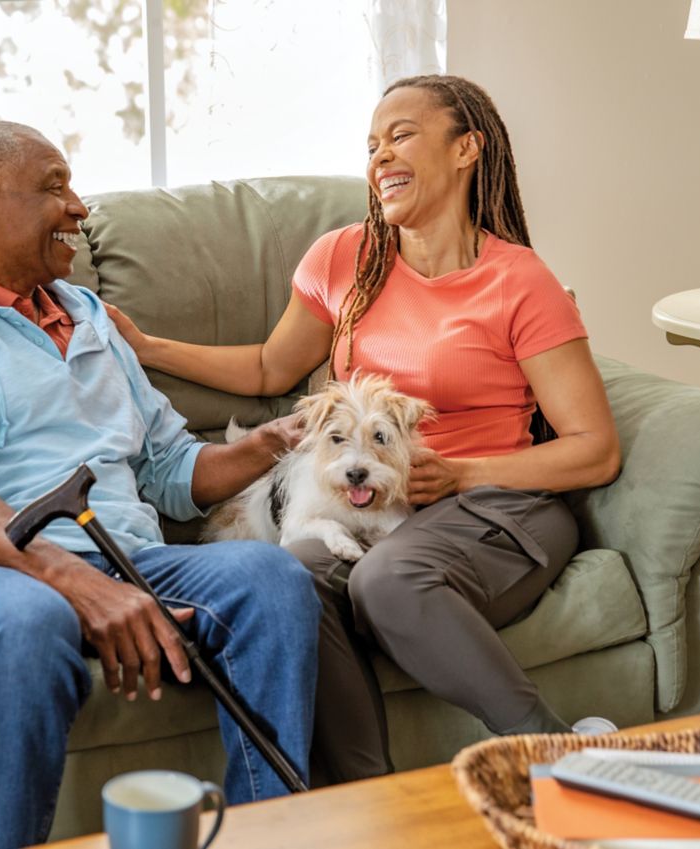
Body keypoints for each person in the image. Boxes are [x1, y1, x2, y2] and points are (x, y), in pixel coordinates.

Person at [107, 75, 623, 784]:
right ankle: (364, 804)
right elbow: (268, 365)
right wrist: (150, 347)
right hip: (382, 505)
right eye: (372, 144)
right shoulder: (344, 257)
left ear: (467, 148)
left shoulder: (517, 280)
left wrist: (463, 473)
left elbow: (593, 447)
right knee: (288, 581)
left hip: (497, 503)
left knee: (385, 577)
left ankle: (560, 756)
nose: (380, 156)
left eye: (401, 135)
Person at [0, 119, 320, 849]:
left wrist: (266, 445)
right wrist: (78, 583)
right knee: (31, 622)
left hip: (124, 555)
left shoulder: (89, 315)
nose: (79, 206)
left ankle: (264, 838)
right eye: (53, 188)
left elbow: (167, 469)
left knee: (270, 578)